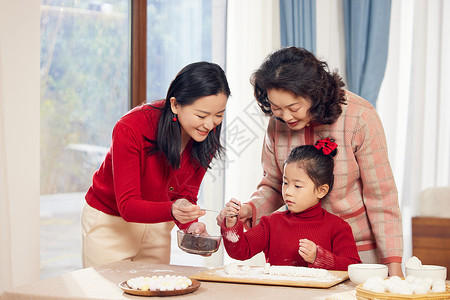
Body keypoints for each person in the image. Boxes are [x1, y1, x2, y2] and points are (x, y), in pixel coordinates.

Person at [218, 47, 403, 276]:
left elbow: (381, 195)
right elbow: (274, 183)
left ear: (314, 95)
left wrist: (393, 265)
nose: (285, 117)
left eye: (293, 108)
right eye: (276, 109)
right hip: (297, 252)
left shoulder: (359, 117)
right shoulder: (278, 124)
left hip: (356, 253)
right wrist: (250, 209)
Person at [81, 61, 231, 268]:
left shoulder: (206, 134)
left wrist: (191, 224)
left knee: (155, 291)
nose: (210, 124)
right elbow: (127, 206)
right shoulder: (131, 127)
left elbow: (185, 194)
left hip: (158, 225)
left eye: (219, 115)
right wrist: (173, 210)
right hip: (111, 224)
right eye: (201, 115)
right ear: (175, 104)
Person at [221, 140, 361, 270]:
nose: (288, 192)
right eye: (285, 183)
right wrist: (231, 224)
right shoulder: (271, 223)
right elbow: (239, 251)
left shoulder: (338, 227)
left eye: (298, 186)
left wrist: (319, 258)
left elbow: (353, 266)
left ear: (321, 190)